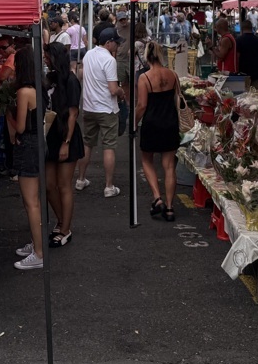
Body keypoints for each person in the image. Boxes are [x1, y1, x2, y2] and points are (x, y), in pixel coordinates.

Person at [134, 40, 181, 222]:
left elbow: (142, 105)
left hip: (152, 123)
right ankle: (170, 207)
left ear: (146, 56)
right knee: (169, 166)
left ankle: (157, 197)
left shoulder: (144, 78)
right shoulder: (173, 75)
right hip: (170, 121)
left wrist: (134, 123)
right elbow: (177, 99)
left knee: (147, 159)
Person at [76, 27, 126, 196]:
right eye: (116, 43)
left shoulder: (89, 54)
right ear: (108, 43)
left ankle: (81, 179)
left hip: (89, 107)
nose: (117, 46)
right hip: (106, 108)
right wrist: (121, 91)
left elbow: (82, 74)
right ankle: (109, 186)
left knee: (87, 143)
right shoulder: (109, 61)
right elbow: (113, 89)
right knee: (109, 146)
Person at [44, 42, 83, 247]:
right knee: (49, 185)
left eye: (48, 56)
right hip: (50, 136)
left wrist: (66, 143)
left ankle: (66, 229)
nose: (45, 59)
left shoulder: (71, 81)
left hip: (66, 137)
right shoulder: (50, 79)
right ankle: (61, 221)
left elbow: (73, 113)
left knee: (64, 185)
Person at [10, 45, 45, 271]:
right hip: (38, 144)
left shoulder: (23, 92)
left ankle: (39, 253)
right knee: (31, 201)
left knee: (31, 202)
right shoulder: (39, 86)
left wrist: (7, 114)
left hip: (29, 145)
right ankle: (36, 243)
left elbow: (20, 127)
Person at [235, 19, 258, 89]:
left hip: (243, 75)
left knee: (243, 98)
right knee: (257, 98)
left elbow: (237, 58)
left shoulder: (238, 41)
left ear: (242, 29)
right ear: (251, 28)